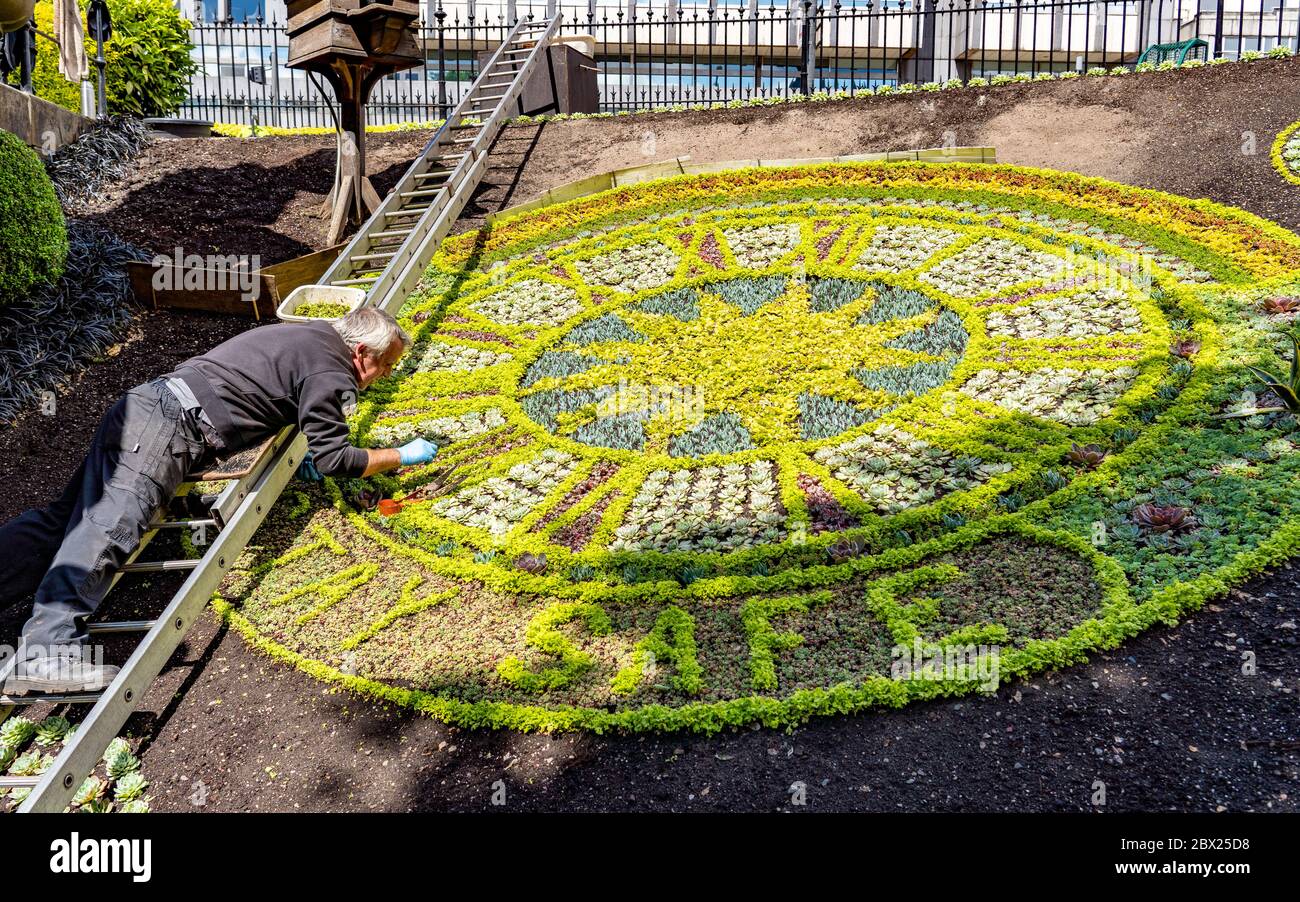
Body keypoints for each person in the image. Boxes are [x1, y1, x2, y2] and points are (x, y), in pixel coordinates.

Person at [0, 307, 438, 694]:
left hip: (149, 405)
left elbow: (272, 392)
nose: (385, 376)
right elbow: (336, 458)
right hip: (170, 426)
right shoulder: (333, 369)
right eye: (386, 365)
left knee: (63, 521)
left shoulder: (312, 337)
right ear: (362, 352)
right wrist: (401, 455)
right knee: (107, 525)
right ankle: (46, 652)